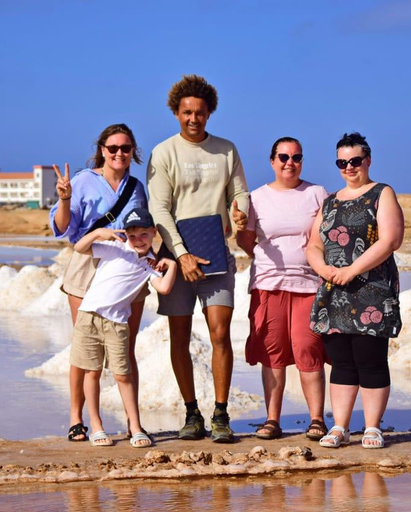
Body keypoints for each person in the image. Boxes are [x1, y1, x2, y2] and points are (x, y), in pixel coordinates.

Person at [147, 74, 250, 443]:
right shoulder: (164, 152)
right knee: (179, 337)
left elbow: (239, 192)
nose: (194, 119)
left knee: (220, 334)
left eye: (200, 113)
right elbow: (158, 209)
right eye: (187, 112)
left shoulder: (226, 149)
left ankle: (220, 414)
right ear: (176, 112)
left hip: (216, 255)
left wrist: (239, 211)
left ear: (210, 113)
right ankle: (192, 413)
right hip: (175, 258)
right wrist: (182, 254)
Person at [49, 123, 148, 442]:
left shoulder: (136, 187)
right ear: (102, 151)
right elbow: (64, 228)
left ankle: (135, 424)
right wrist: (64, 199)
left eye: (126, 148)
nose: (119, 153)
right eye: (113, 148)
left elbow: (145, 230)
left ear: (133, 152)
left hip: (126, 271)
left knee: (125, 348)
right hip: (88, 264)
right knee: (84, 350)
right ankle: (78, 419)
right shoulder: (83, 180)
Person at [306, 132, 404, 449]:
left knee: (370, 359)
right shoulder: (331, 201)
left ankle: (373, 427)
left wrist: (352, 270)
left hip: (371, 290)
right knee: (342, 361)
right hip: (335, 291)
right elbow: (313, 244)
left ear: (368, 160)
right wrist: (324, 269)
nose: (349, 167)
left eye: (355, 161)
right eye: (342, 162)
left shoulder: (381, 193)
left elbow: (390, 240)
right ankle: (340, 427)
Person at [235, 137, 329, 441]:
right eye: (284, 157)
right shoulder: (257, 197)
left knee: (308, 347)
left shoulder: (316, 194)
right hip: (268, 284)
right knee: (272, 351)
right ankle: (272, 420)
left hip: (308, 284)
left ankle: (317, 419)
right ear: (272, 160)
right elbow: (246, 241)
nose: (291, 163)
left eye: (297, 157)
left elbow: (326, 239)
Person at [70, 207, 177, 447]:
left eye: (144, 235)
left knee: (123, 374)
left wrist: (172, 266)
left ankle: (136, 426)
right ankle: (97, 427)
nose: (138, 240)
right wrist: (98, 232)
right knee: (92, 371)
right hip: (89, 316)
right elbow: (79, 247)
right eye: (132, 235)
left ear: (154, 233)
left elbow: (164, 288)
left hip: (118, 324)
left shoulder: (150, 264)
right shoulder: (115, 249)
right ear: (125, 235)